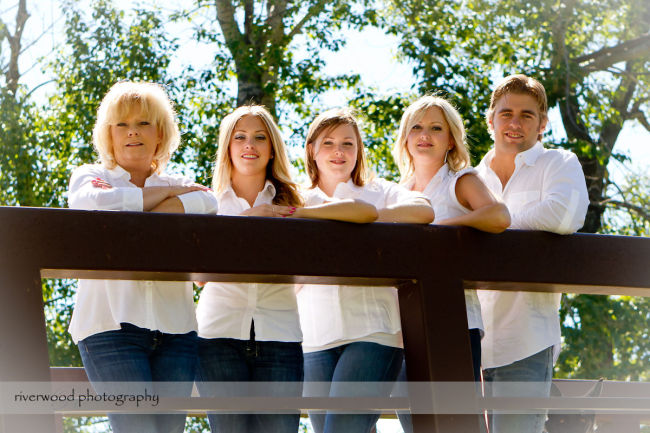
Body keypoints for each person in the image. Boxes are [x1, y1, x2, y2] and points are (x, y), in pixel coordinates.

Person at [195, 105, 377, 433]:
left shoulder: (294, 201)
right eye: (240, 137)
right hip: (217, 335)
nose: (249, 144)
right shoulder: (207, 203)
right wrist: (244, 224)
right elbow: (198, 277)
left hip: (280, 334)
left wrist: (288, 212)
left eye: (259, 137)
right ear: (228, 147)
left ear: (271, 149)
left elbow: (363, 211)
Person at [67, 81, 218, 433]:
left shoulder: (180, 181)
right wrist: (167, 198)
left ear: (161, 134)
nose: (132, 132)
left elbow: (210, 202)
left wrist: (145, 207)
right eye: (122, 124)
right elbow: (97, 203)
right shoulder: (92, 176)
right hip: (110, 329)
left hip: (177, 332)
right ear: (109, 135)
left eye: (143, 123)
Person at [298, 107, 434, 433]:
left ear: (359, 151)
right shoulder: (298, 199)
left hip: (374, 333)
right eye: (328, 143)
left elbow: (424, 209)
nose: (339, 151)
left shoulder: (378, 191)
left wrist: (366, 216)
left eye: (348, 143)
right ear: (312, 150)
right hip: (313, 338)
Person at [475, 74, 589, 433]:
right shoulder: (470, 177)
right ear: (490, 119)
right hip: (465, 342)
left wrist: (490, 224)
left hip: (525, 339)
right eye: (506, 113)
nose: (514, 122)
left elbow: (563, 214)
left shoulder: (558, 163)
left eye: (527, 115)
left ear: (543, 124)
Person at [392, 95, 511, 433]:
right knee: (415, 422)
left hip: (456, 320)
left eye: (435, 128)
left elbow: (499, 216)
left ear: (450, 139)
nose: (424, 134)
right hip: (401, 326)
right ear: (405, 137)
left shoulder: (460, 181)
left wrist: (435, 233)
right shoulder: (396, 192)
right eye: (416, 127)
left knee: (458, 423)